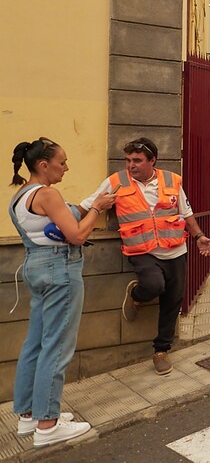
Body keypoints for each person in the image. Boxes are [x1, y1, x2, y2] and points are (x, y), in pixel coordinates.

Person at [8, 138, 116, 448]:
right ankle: (48, 424)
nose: (66, 167)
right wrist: (97, 208)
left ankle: (29, 415)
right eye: (62, 162)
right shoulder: (48, 194)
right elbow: (77, 236)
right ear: (43, 165)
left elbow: (47, 230)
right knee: (57, 347)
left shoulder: (20, 196)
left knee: (36, 343)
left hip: (35, 268)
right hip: (60, 271)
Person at [80, 138, 210, 376]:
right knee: (153, 284)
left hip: (175, 250)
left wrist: (199, 236)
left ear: (152, 161)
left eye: (137, 160)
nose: (131, 165)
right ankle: (137, 295)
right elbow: (88, 204)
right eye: (128, 160)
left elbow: (186, 212)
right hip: (142, 251)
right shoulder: (116, 182)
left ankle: (161, 351)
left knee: (173, 300)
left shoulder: (171, 180)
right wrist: (64, 220)